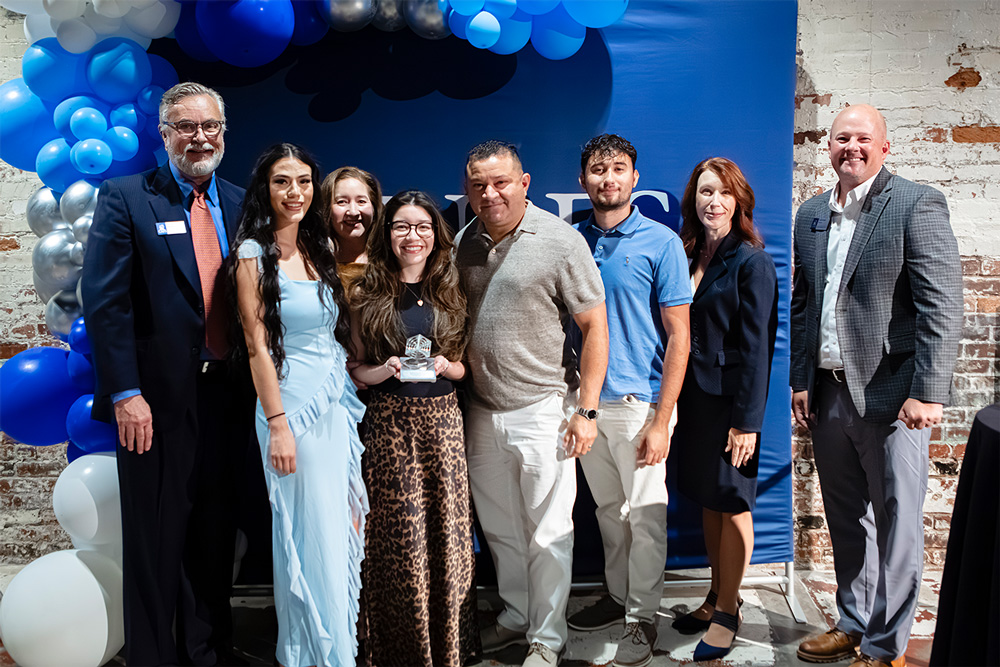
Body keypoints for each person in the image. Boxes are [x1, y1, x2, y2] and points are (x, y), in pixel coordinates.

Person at [82, 82, 254, 666]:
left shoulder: (240, 201)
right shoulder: (128, 197)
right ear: (165, 135)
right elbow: (107, 305)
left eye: (209, 126)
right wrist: (126, 393)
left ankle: (207, 651)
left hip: (228, 396)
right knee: (156, 538)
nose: (199, 137)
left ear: (224, 133)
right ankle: (153, 656)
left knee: (214, 532)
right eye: (185, 127)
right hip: (154, 405)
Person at [791, 105, 962, 667]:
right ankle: (852, 622)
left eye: (864, 138)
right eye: (842, 138)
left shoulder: (916, 203)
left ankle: (885, 646)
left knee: (897, 524)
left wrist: (929, 390)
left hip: (893, 397)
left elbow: (942, 304)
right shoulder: (812, 213)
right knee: (845, 517)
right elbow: (803, 304)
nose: (852, 147)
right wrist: (801, 380)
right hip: (829, 392)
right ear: (829, 146)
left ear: (885, 148)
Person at [455, 140, 609, 667]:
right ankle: (516, 617)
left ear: (524, 183)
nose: (490, 193)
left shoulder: (560, 240)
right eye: (479, 185)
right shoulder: (462, 243)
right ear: (468, 189)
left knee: (548, 531)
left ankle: (547, 637)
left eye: (501, 182)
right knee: (499, 527)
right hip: (480, 410)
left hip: (544, 408)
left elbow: (594, 327)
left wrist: (586, 410)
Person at [231, 143, 368, 667]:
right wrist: (279, 424)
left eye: (305, 181)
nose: (296, 193)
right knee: (306, 531)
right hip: (291, 409)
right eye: (283, 182)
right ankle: (312, 653)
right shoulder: (252, 254)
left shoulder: (320, 248)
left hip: (335, 404)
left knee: (337, 527)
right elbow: (255, 345)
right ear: (265, 189)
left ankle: (339, 647)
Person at [566, 134, 691, 667]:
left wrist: (662, 418)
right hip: (586, 402)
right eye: (598, 169)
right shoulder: (571, 240)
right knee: (607, 512)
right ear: (583, 180)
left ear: (635, 179)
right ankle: (618, 597)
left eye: (619, 169)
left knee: (644, 514)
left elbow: (680, 336)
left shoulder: (660, 242)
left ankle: (642, 618)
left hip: (641, 403)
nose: (608, 178)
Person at [348, 190, 478, 667]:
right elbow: (356, 370)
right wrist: (384, 371)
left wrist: (448, 365)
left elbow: (466, 369)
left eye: (422, 226)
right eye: (402, 226)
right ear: (388, 233)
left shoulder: (453, 289)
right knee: (398, 541)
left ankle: (447, 648)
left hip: (443, 425)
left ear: (435, 234)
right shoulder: (367, 293)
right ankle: (400, 648)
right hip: (388, 428)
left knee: (446, 536)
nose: (413, 236)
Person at [670, 157, 778, 662]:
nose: (713, 202)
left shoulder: (751, 260)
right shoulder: (691, 251)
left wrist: (747, 423)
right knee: (711, 500)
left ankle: (730, 615)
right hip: (694, 400)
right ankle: (716, 597)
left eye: (723, 193)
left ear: (739, 201)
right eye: (704, 192)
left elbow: (759, 349)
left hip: (731, 406)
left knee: (733, 502)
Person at [321, 166, 383, 289]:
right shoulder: (314, 266)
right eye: (342, 202)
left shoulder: (392, 263)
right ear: (327, 209)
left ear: (374, 208)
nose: (353, 212)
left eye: (361, 201)